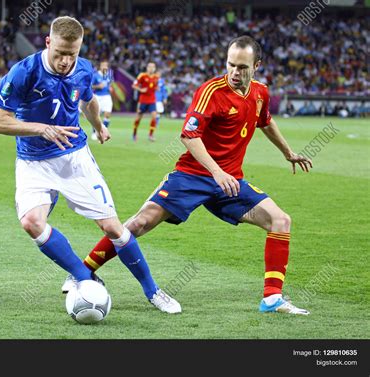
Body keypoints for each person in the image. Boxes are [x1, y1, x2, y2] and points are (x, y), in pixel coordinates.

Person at [70, 36, 313, 316]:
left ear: (256, 66)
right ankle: (82, 271)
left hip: (229, 182)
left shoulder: (260, 93)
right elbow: (189, 135)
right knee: (140, 223)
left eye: (242, 67)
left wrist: (288, 152)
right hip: (192, 175)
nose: (235, 72)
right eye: (230, 65)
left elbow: (265, 121)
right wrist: (216, 171)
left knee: (281, 220)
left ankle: (272, 298)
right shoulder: (211, 91)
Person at [0, 16, 180, 314]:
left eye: (72, 54)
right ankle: (83, 277)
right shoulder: (23, 72)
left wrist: (99, 125)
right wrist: (41, 128)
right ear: (48, 42)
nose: (66, 61)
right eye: (60, 54)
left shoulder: (85, 69)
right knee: (32, 223)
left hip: (75, 159)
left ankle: (153, 291)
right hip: (33, 161)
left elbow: (89, 100)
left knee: (113, 228)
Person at [132, 62, 159, 142]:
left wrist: (156, 88)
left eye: (153, 67)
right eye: (149, 66)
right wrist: (140, 89)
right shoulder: (142, 75)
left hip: (152, 100)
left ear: (155, 68)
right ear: (147, 68)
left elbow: (155, 86)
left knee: (154, 116)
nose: (151, 68)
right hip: (143, 100)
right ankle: (134, 133)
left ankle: (151, 135)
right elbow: (134, 85)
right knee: (138, 118)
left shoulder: (156, 77)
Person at [90, 60, 113, 141]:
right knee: (97, 116)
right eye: (103, 65)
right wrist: (98, 86)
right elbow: (90, 86)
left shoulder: (109, 74)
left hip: (107, 96)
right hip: (97, 97)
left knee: (107, 114)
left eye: (106, 65)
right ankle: (94, 132)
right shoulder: (95, 75)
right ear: (100, 66)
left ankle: (104, 132)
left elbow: (110, 84)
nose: (105, 67)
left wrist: (110, 88)